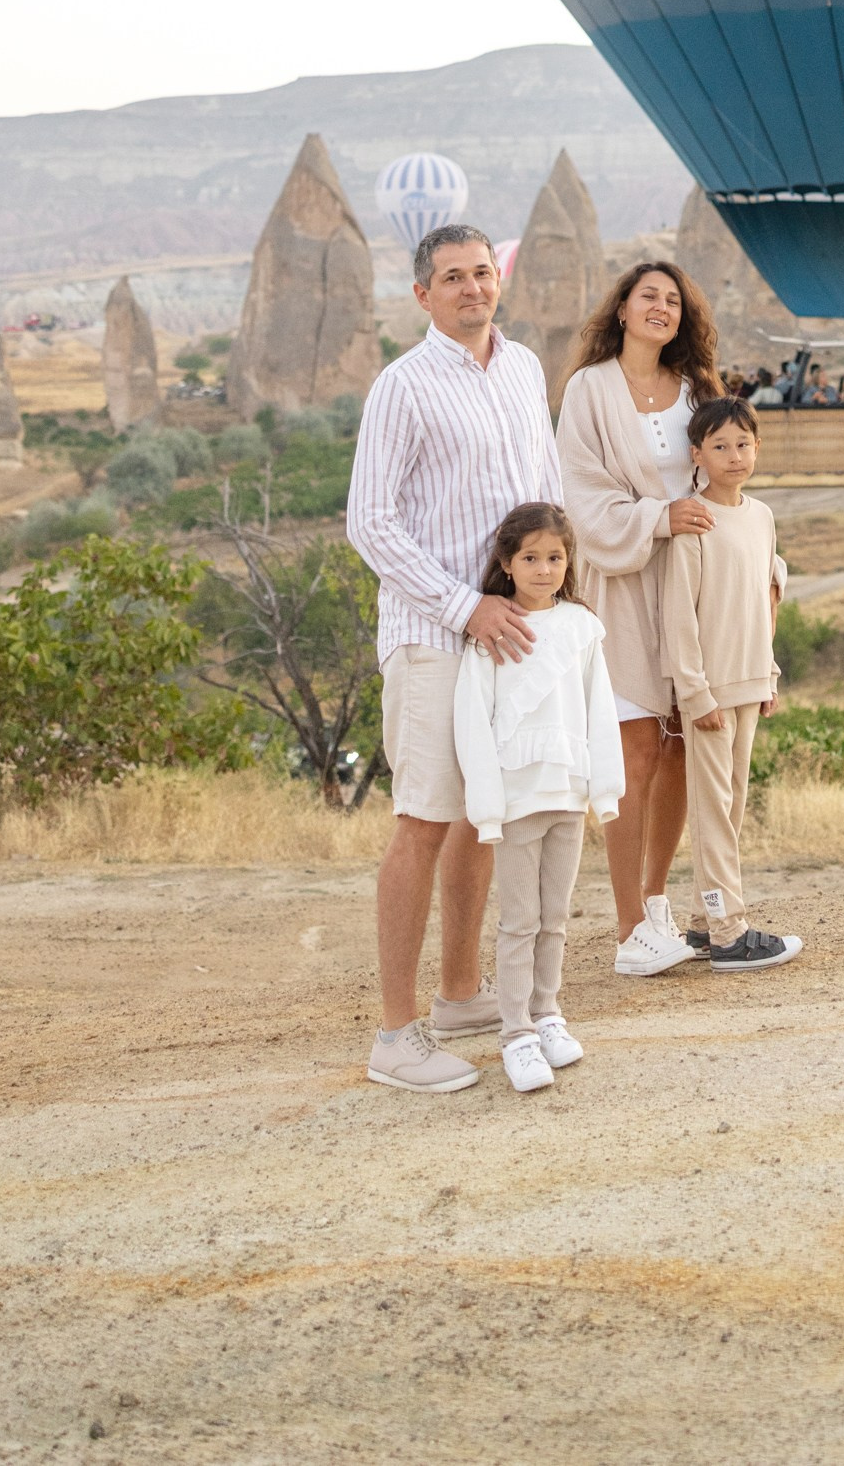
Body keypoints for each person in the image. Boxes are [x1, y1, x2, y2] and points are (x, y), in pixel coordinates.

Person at [345, 222, 562, 1095]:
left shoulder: (522, 368)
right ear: (421, 295)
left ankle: (462, 994)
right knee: (425, 820)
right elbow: (370, 522)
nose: (472, 288)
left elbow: (542, 495)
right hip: (435, 634)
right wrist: (463, 606)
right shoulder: (401, 387)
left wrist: (552, 604)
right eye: (452, 278)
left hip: (509, 633)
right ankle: (395, 1036)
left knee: (483, 815)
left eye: (482, 273)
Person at [555, 258, 725, 976]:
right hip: (621, 586)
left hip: (690, 583)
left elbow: (730, 471)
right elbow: (582, 497)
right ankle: (627, 931)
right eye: (647, 297)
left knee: (685, 744)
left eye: (673, 301)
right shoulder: (587, 391)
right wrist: (659, 517)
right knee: (633, 753)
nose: (661, 308)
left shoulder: (697, 392)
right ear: (620, 309)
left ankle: (656, 904)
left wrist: (760, 563)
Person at [454, 503, 624, 1093]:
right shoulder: (490, 634)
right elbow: (474, 720)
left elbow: (598, 707)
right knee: (519, 921)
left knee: (556, 919)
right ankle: (516, 1034)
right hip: (517, 797)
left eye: (555, 557)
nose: (545, 569)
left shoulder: (581, 626)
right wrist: (488, 805)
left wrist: (603, 790)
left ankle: (549, 1014)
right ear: (507, 563)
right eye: (531, 558)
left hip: (568, 792)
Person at [661, 398, 803, 971]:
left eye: (743, 444)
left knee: (734, 802)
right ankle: (728, 930)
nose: (734, 456)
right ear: (698, 454)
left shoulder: (762, 515)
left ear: (757, 447)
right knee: (714, 808)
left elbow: (763, 599)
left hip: (749, 683)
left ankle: (702, 919)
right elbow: (680, 614)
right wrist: (696, 695)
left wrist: (768, 675)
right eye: (719, 446)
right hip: (711, 693)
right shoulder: (694, 518)